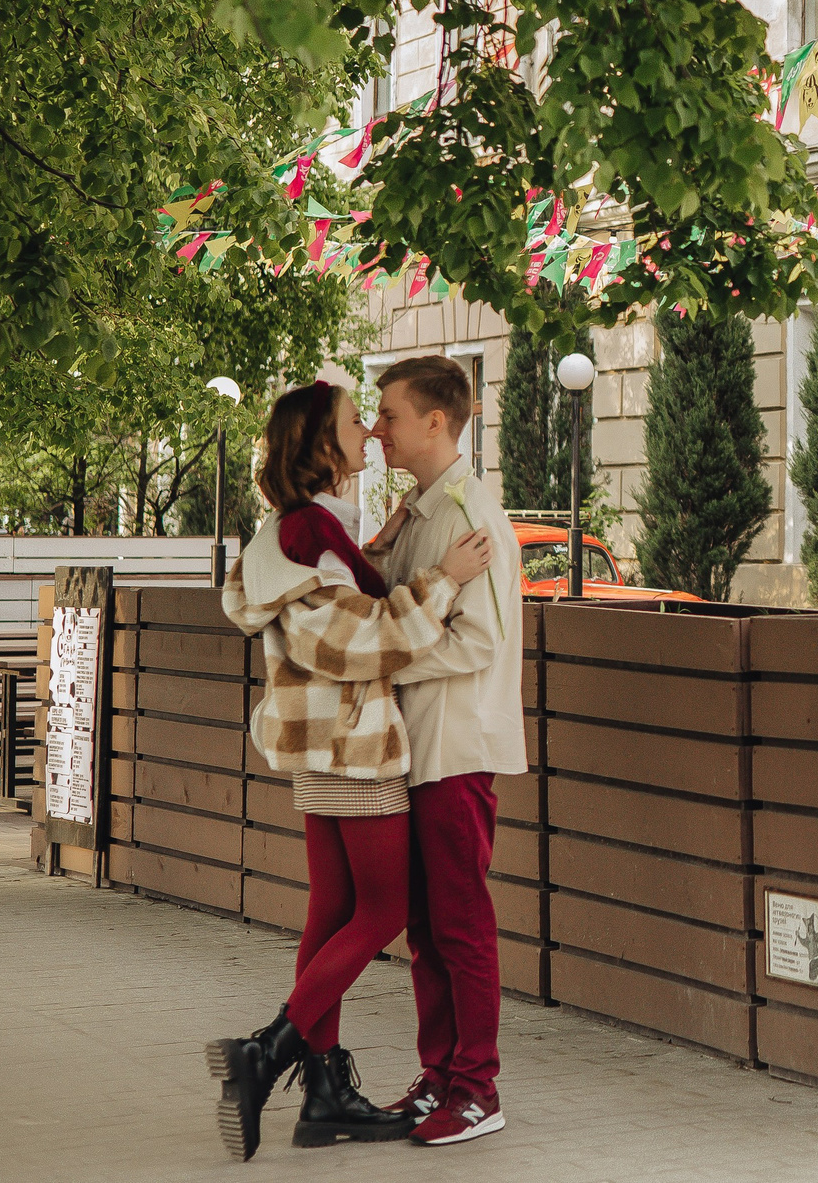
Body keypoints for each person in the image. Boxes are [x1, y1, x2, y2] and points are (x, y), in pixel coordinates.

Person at [204, 380, 495, 1163]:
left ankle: (326, 1091)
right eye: (353, 422)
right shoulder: (309, 538)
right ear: (322, 447)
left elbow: (327, 597)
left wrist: (377, 547)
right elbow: (346, 643)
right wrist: (445, 580)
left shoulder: (300, 534)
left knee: (333, 912)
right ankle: (264, 1052)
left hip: (316, 745)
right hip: (354, 746)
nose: (369, 429)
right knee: (382, 911)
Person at [365, 355, 525, 1147]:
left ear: (437, 421)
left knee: (460, 923)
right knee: (426, 925)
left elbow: (479, 641)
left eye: (389, 413)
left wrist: (384, 656)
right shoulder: (424, 509)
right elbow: (391, 600)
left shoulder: (469, 512)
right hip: (421, 746)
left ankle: (477, 1087)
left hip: (456, 747)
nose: (377, 427)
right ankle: (440, 1077)